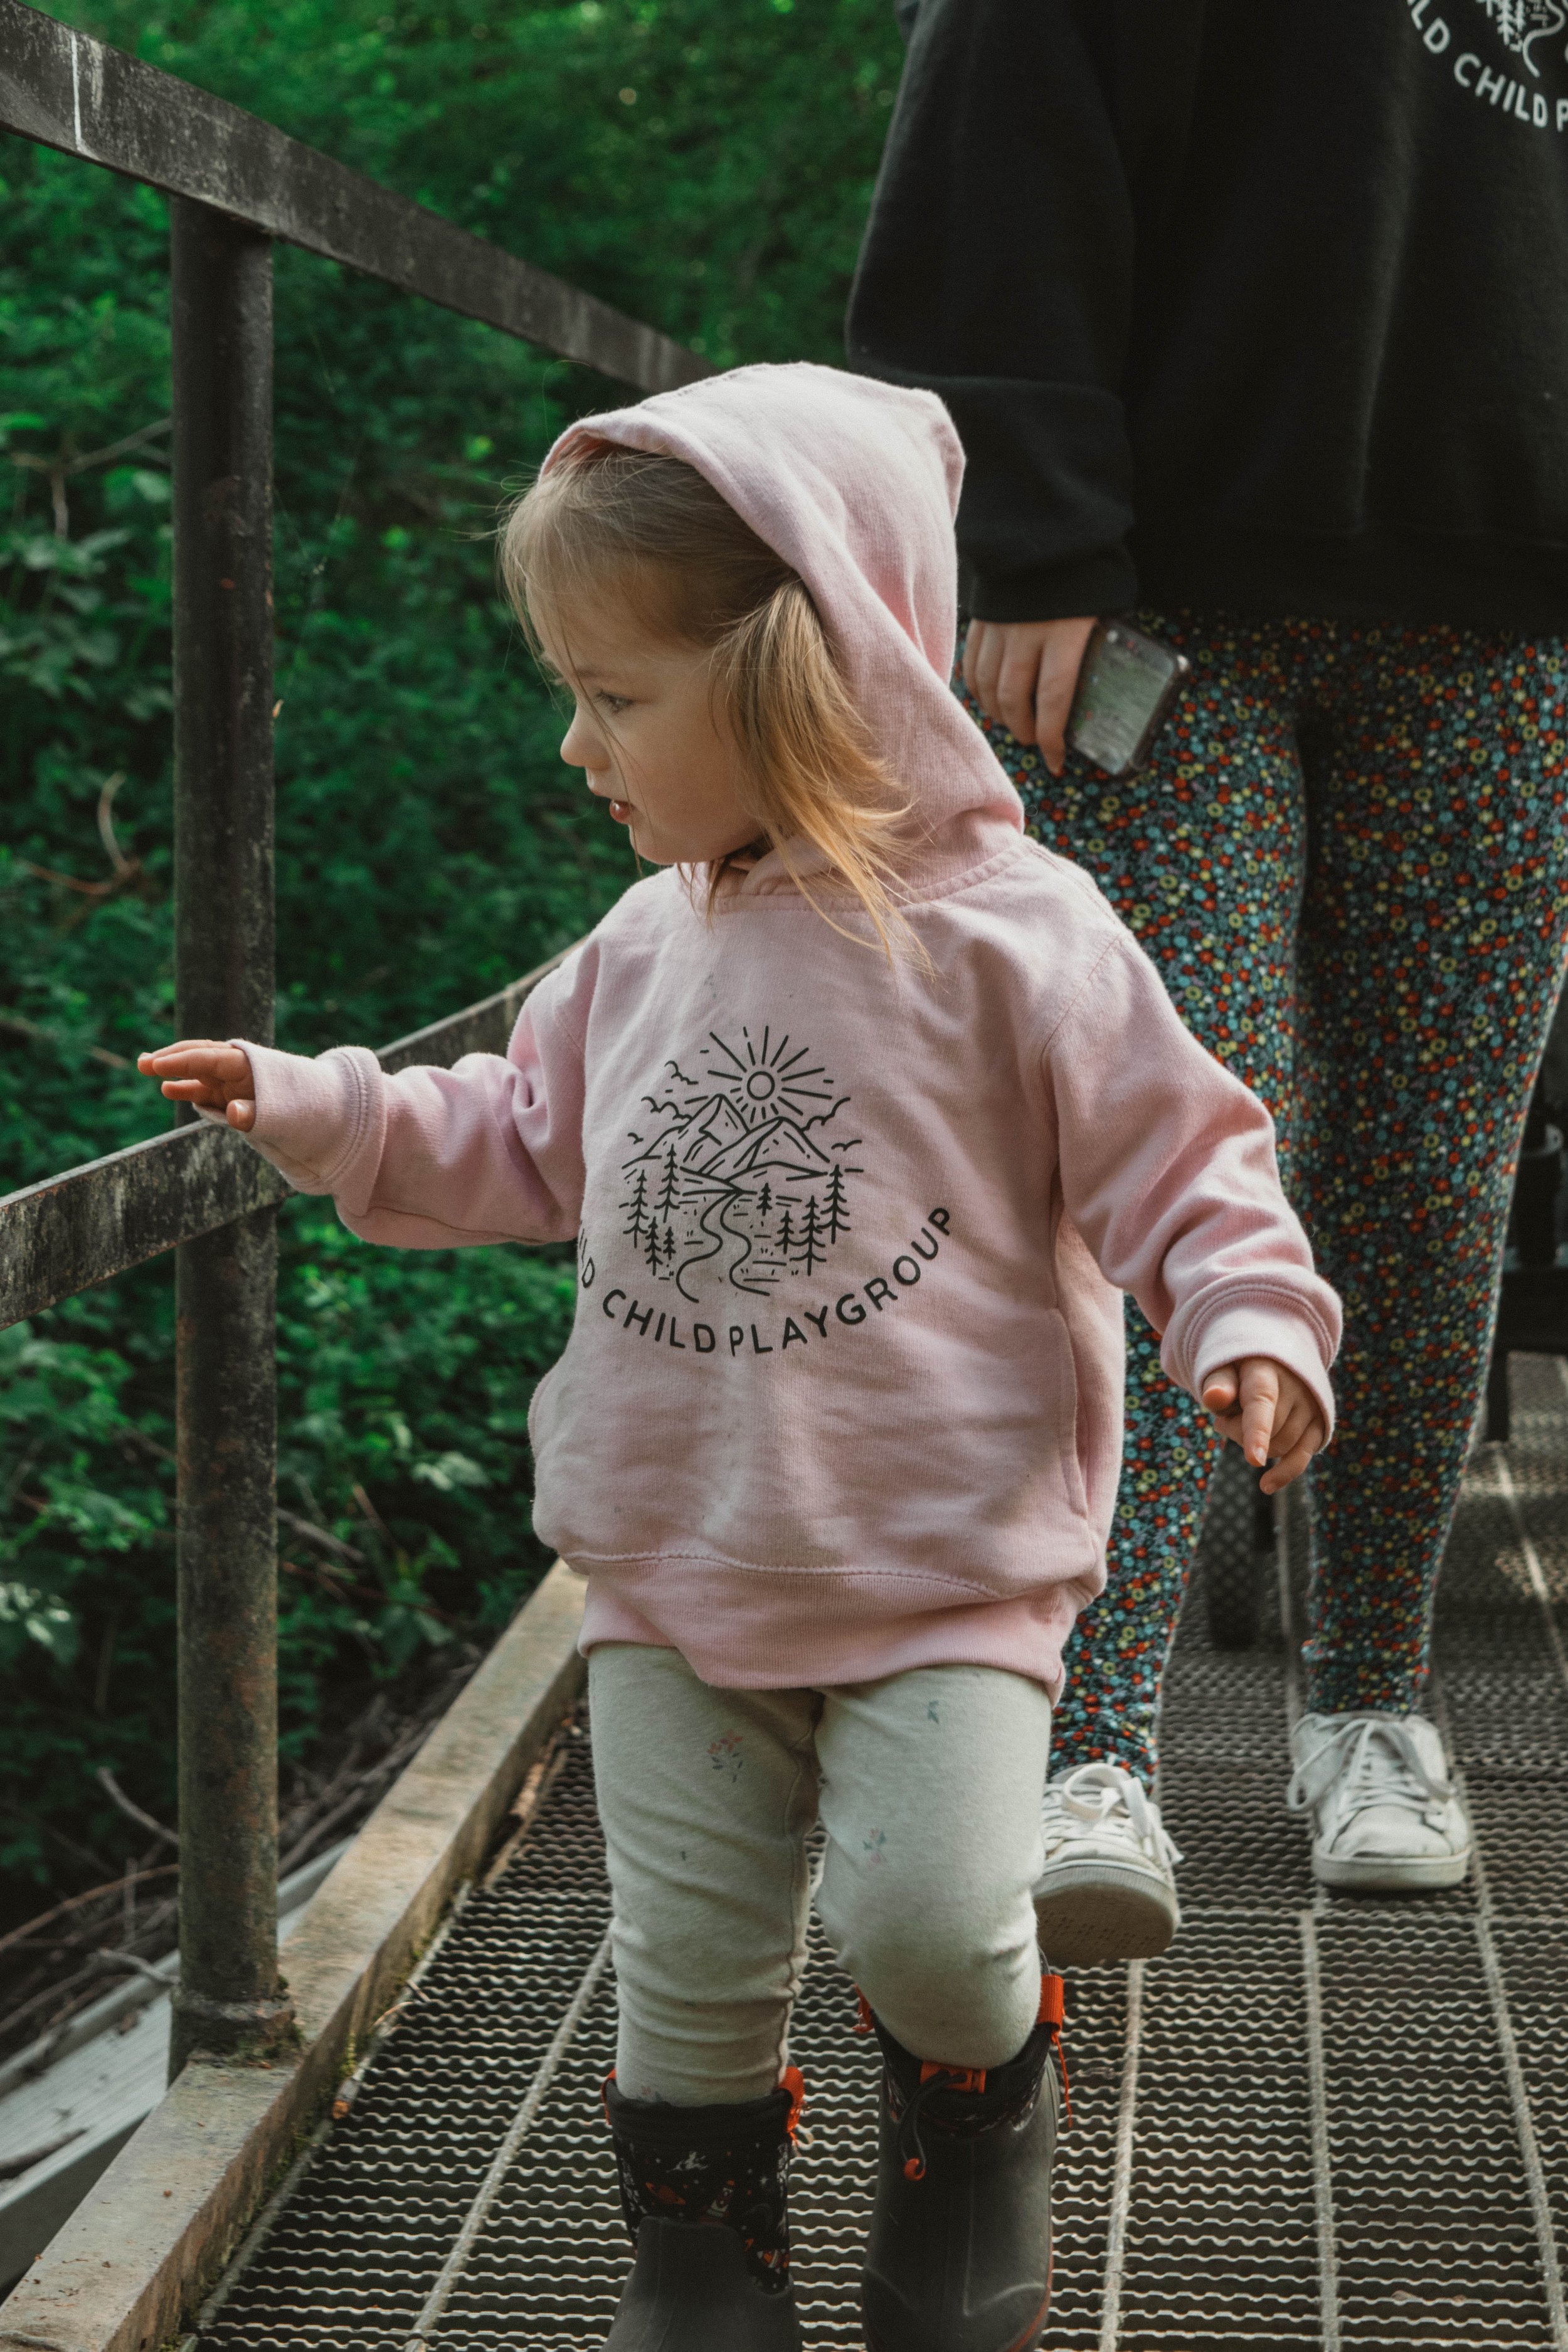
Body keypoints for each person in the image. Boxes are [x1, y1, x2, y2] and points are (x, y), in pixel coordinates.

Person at [137, 363, 1337, 2352]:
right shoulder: (636, 945)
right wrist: (318, 1104)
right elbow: (519, 1138)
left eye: (615, 699)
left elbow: (1184, 1157)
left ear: (804, 673)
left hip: (941, 1561)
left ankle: (972, 2138)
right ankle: (706, 2257)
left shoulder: (1013, 936)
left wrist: (1248, 1314)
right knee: (683, 1958)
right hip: (675, 1557)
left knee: (937, 1931)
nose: (570, 743)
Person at [847, 0, 1568, 1957]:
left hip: (1501, 606)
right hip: (1162, 589)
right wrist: (1025, 523)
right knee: (1163, 1143)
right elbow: (998, 122)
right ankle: (1095, 1740)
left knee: (1434, 1172)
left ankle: (1371, 1695)